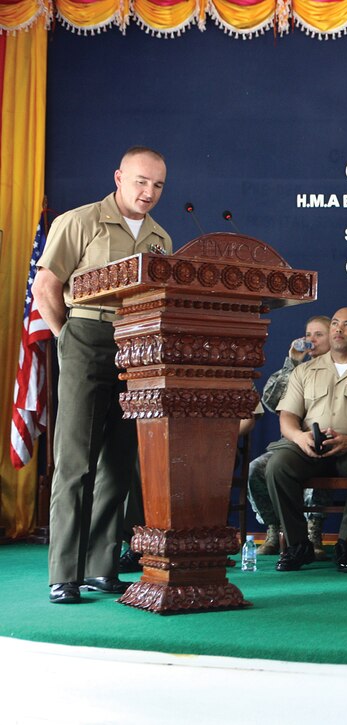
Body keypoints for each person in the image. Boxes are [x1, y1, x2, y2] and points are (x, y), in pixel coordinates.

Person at [32, 146, 171, 604]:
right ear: (118, 177)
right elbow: (46, 285)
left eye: (157, 185)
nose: (148, 192)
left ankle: (100, 567)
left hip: (136, 347)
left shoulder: (162, 240)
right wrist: (65, 335)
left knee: (118, 462)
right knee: (75, 460)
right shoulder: (80, 221)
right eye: (140, 181)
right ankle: (64, 574)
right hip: (86, 337)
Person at [266, 307, 347, 573]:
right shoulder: (304, 371)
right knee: (276, 466)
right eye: (335, 323)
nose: (338, 329)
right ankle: (298, 546)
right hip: (309, 447)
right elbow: (287, 416)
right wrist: (299, 437)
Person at [248, 316, 332, 558]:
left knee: (316, 460)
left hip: (325, 441)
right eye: (308, 335)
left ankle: (312, 532)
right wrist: (293, 363)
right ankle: (275, 528)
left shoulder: (340, 369)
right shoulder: (298, 370)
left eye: (319, 334)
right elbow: (272, 401)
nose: (311, 340)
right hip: (292, 442)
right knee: (256, 469)